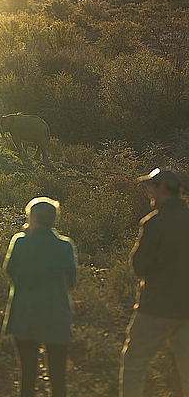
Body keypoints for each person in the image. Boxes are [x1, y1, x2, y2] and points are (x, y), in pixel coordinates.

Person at [120, 168, 189, 397]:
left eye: (151, 186)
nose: (148, 191)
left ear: (162, 189)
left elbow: (139, 267)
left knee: (134, 363)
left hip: (155, 308)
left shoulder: (153, 223)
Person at [3, 196, 77, 397]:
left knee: (27, 375)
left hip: (24, 315)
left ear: (32, 218)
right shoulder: (65, 246)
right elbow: (72, 280)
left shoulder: (19, 242)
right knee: (58, 377)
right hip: (56, 316)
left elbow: (10, 272)